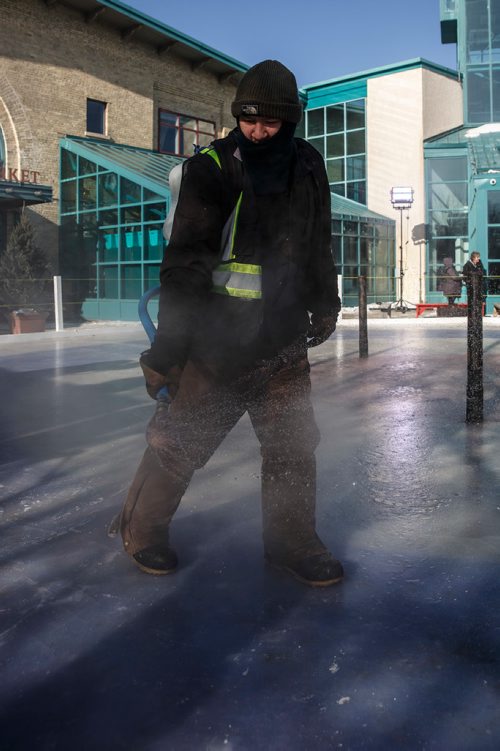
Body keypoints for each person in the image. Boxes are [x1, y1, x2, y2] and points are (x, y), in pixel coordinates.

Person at [118, 59, 343, 587]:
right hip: (216, 344)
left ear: (290, 122)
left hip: (282, 340)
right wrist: (168, 351)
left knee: (291, 446)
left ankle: (291, 542)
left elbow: (317, 242)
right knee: (181, 442)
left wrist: (326, 301)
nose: (258, 132)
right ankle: (142, 530)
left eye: (270, 123)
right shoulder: (212, 170)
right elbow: (185, 268)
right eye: (248, 120)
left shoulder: (307, 166)